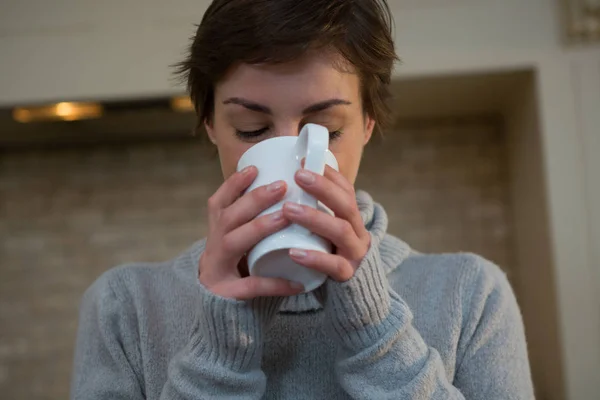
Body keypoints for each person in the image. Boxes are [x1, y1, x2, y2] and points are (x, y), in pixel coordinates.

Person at [70, 0, 534, 398]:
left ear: (368, 124)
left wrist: (375, 327)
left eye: (326, 131)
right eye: (252, 131)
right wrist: (219, 348)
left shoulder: (470, 294)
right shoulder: (125, 307)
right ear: (210, 124)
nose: (295, 161)